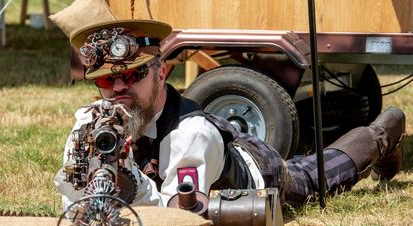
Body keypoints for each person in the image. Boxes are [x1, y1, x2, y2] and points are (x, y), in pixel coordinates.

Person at [50, 0, 405, 211]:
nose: (120, 88)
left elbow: (179, 221)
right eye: (107, 80)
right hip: (213, 149)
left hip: (254, 171)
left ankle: (384, 132)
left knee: (316, 174)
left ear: (161, 73)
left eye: (134, 74)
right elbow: (76, 203)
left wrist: (129, 178)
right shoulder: (92, 126)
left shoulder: (190, 135)